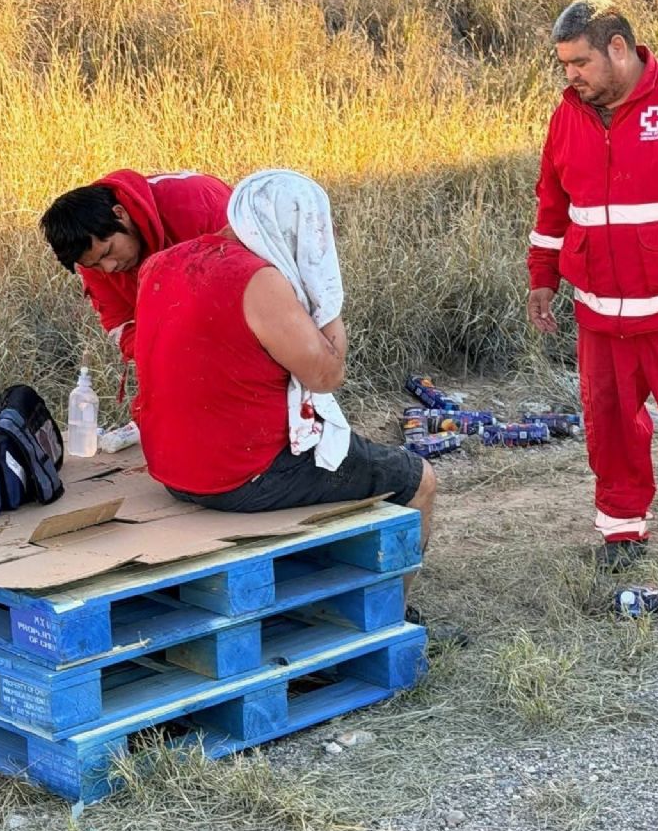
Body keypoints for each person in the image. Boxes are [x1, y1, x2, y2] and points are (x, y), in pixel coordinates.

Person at [133, 173, 438, 601]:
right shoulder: (259, 280)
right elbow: (326, 375)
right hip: (241, 477)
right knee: (418, 479)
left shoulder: (161, 262)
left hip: (170, 469)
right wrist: (325, 295)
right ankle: (395, 616)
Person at [527, 0, 658, 577]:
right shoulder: (568, 114)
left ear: (617, 48)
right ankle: (622, 531)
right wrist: (541, 277)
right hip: (601, 313)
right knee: (609, 423)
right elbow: (552, 203)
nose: (570, 76)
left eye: (579, 63)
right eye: (564, 65)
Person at [39, 170, 232, 361]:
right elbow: (120, 323)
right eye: (95, 264)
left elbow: (249, 279)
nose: (108, 268)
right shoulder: (92, 253)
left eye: (108, 252)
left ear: (120, 214)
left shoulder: (196, 206)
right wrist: (162, 350)